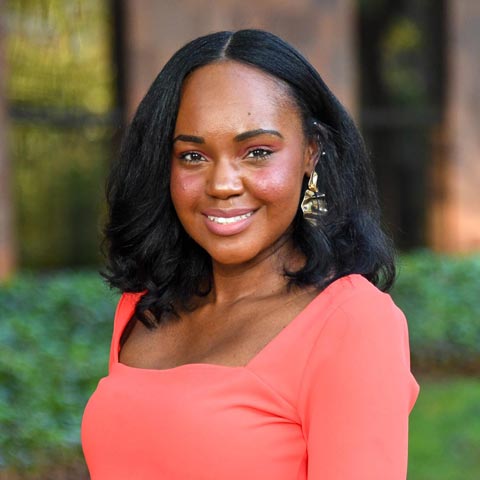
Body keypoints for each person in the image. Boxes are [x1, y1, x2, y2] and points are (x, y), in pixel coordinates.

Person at [82, 29, 420, 479]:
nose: (223, 184)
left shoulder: (350, 322)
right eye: (193, 156)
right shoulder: (144, 308)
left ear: (311, 154)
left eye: (257, 152)